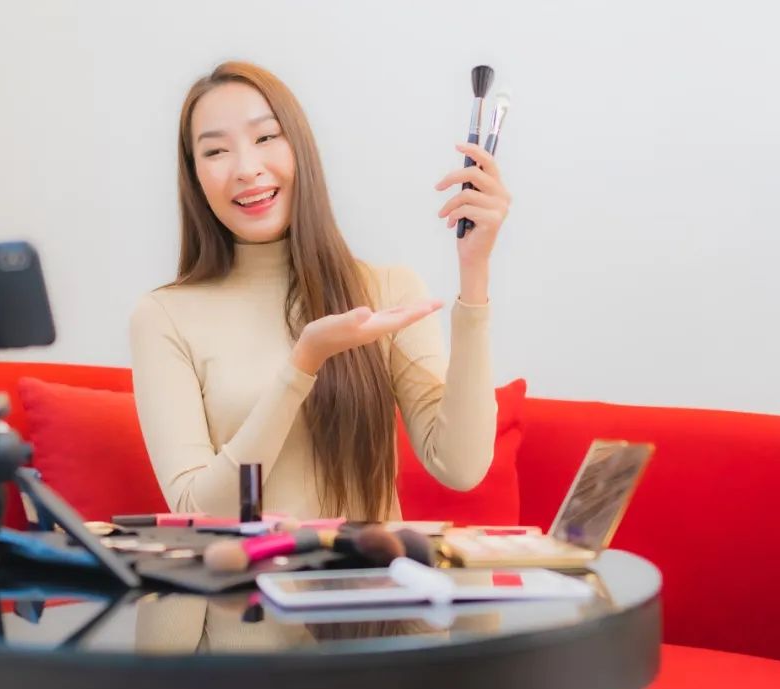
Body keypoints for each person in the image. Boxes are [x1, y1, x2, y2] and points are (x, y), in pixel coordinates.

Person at [129, 61, 511, 521]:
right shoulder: (164, 316)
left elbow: (461, 467)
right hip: (241, 571)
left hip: (368, 569)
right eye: (215, 151)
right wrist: (302, 364)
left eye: (265, 137)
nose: (247, 169)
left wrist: (475, 270)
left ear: (300, 148)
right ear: (194, 176)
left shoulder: (386, 290)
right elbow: (197, 510)